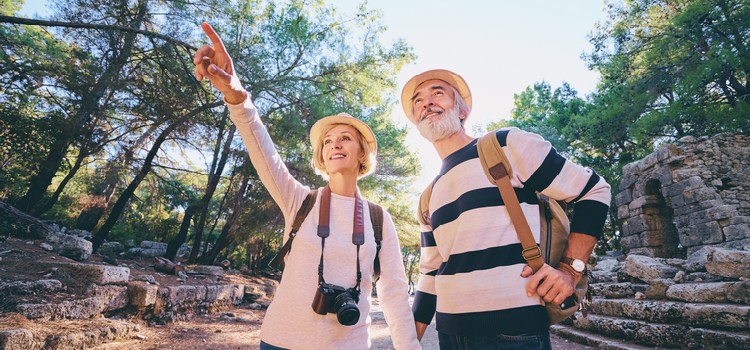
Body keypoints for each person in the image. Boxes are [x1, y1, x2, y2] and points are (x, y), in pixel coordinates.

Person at [193, 22, 421, 350]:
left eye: (345, 138)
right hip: (281, 341)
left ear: (362, 154)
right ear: (322, 155)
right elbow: (262, 149)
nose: (334, 145)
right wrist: (236, 95)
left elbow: (396, 293)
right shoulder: (300, 201)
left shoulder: (377, 219)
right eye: (327, 141)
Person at [401, 69, 612, 349]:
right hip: (449, 334)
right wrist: (407, 341)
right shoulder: (428, 196)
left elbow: (594, 189)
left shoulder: (504, 145)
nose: (426, 103)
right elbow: (430, 273)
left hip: (514, 332)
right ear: (417, 121)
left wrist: (571, 270)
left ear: (462, 111)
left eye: (437, 93)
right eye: (418, 101)